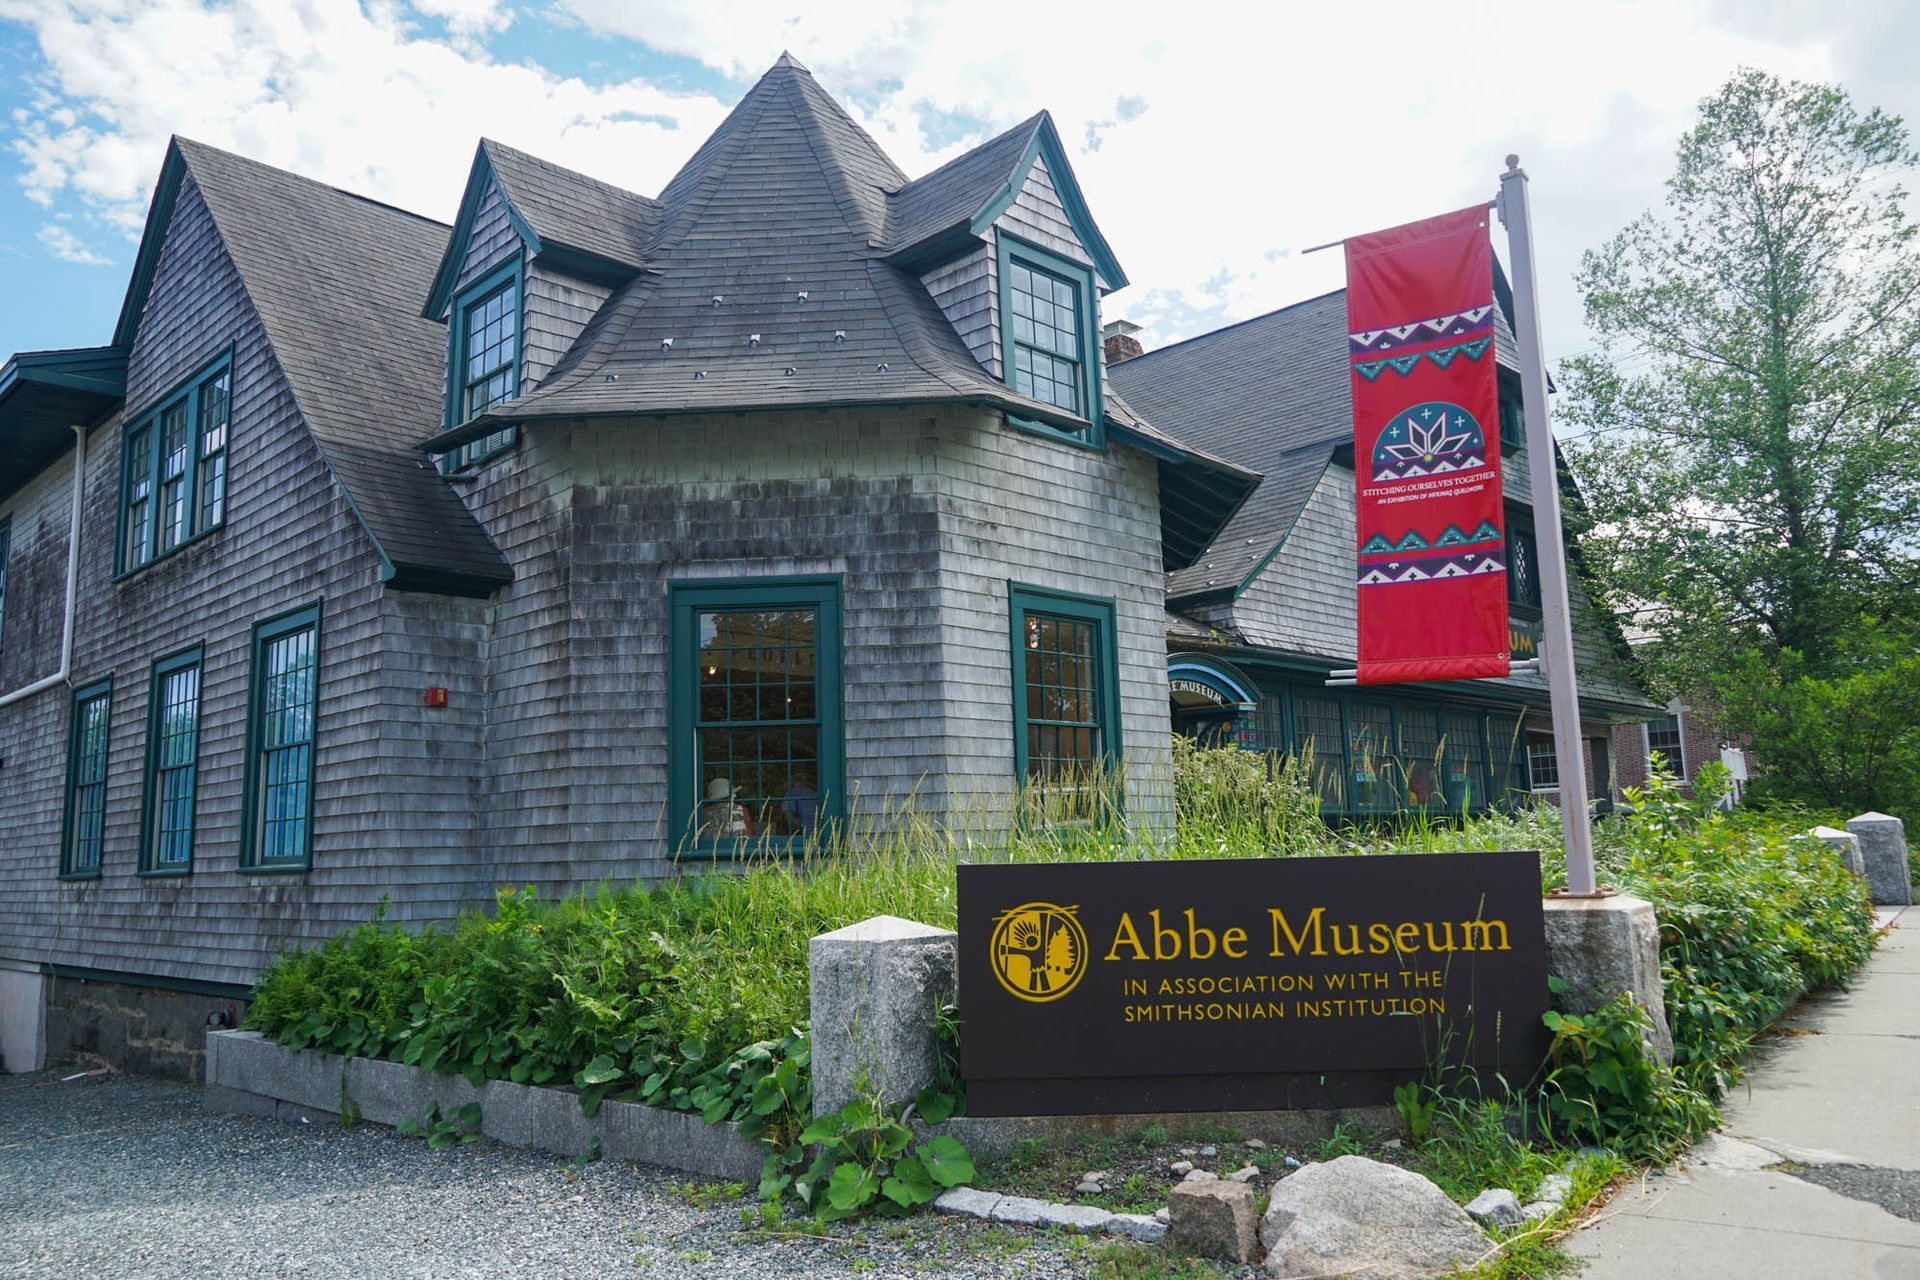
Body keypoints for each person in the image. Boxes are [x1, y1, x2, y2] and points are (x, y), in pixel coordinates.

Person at [781, 766, 820, 837]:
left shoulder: (792, 793)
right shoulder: (817, 793)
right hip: (822, 835)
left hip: (806, 837)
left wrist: (797, 827)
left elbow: (788, 815)